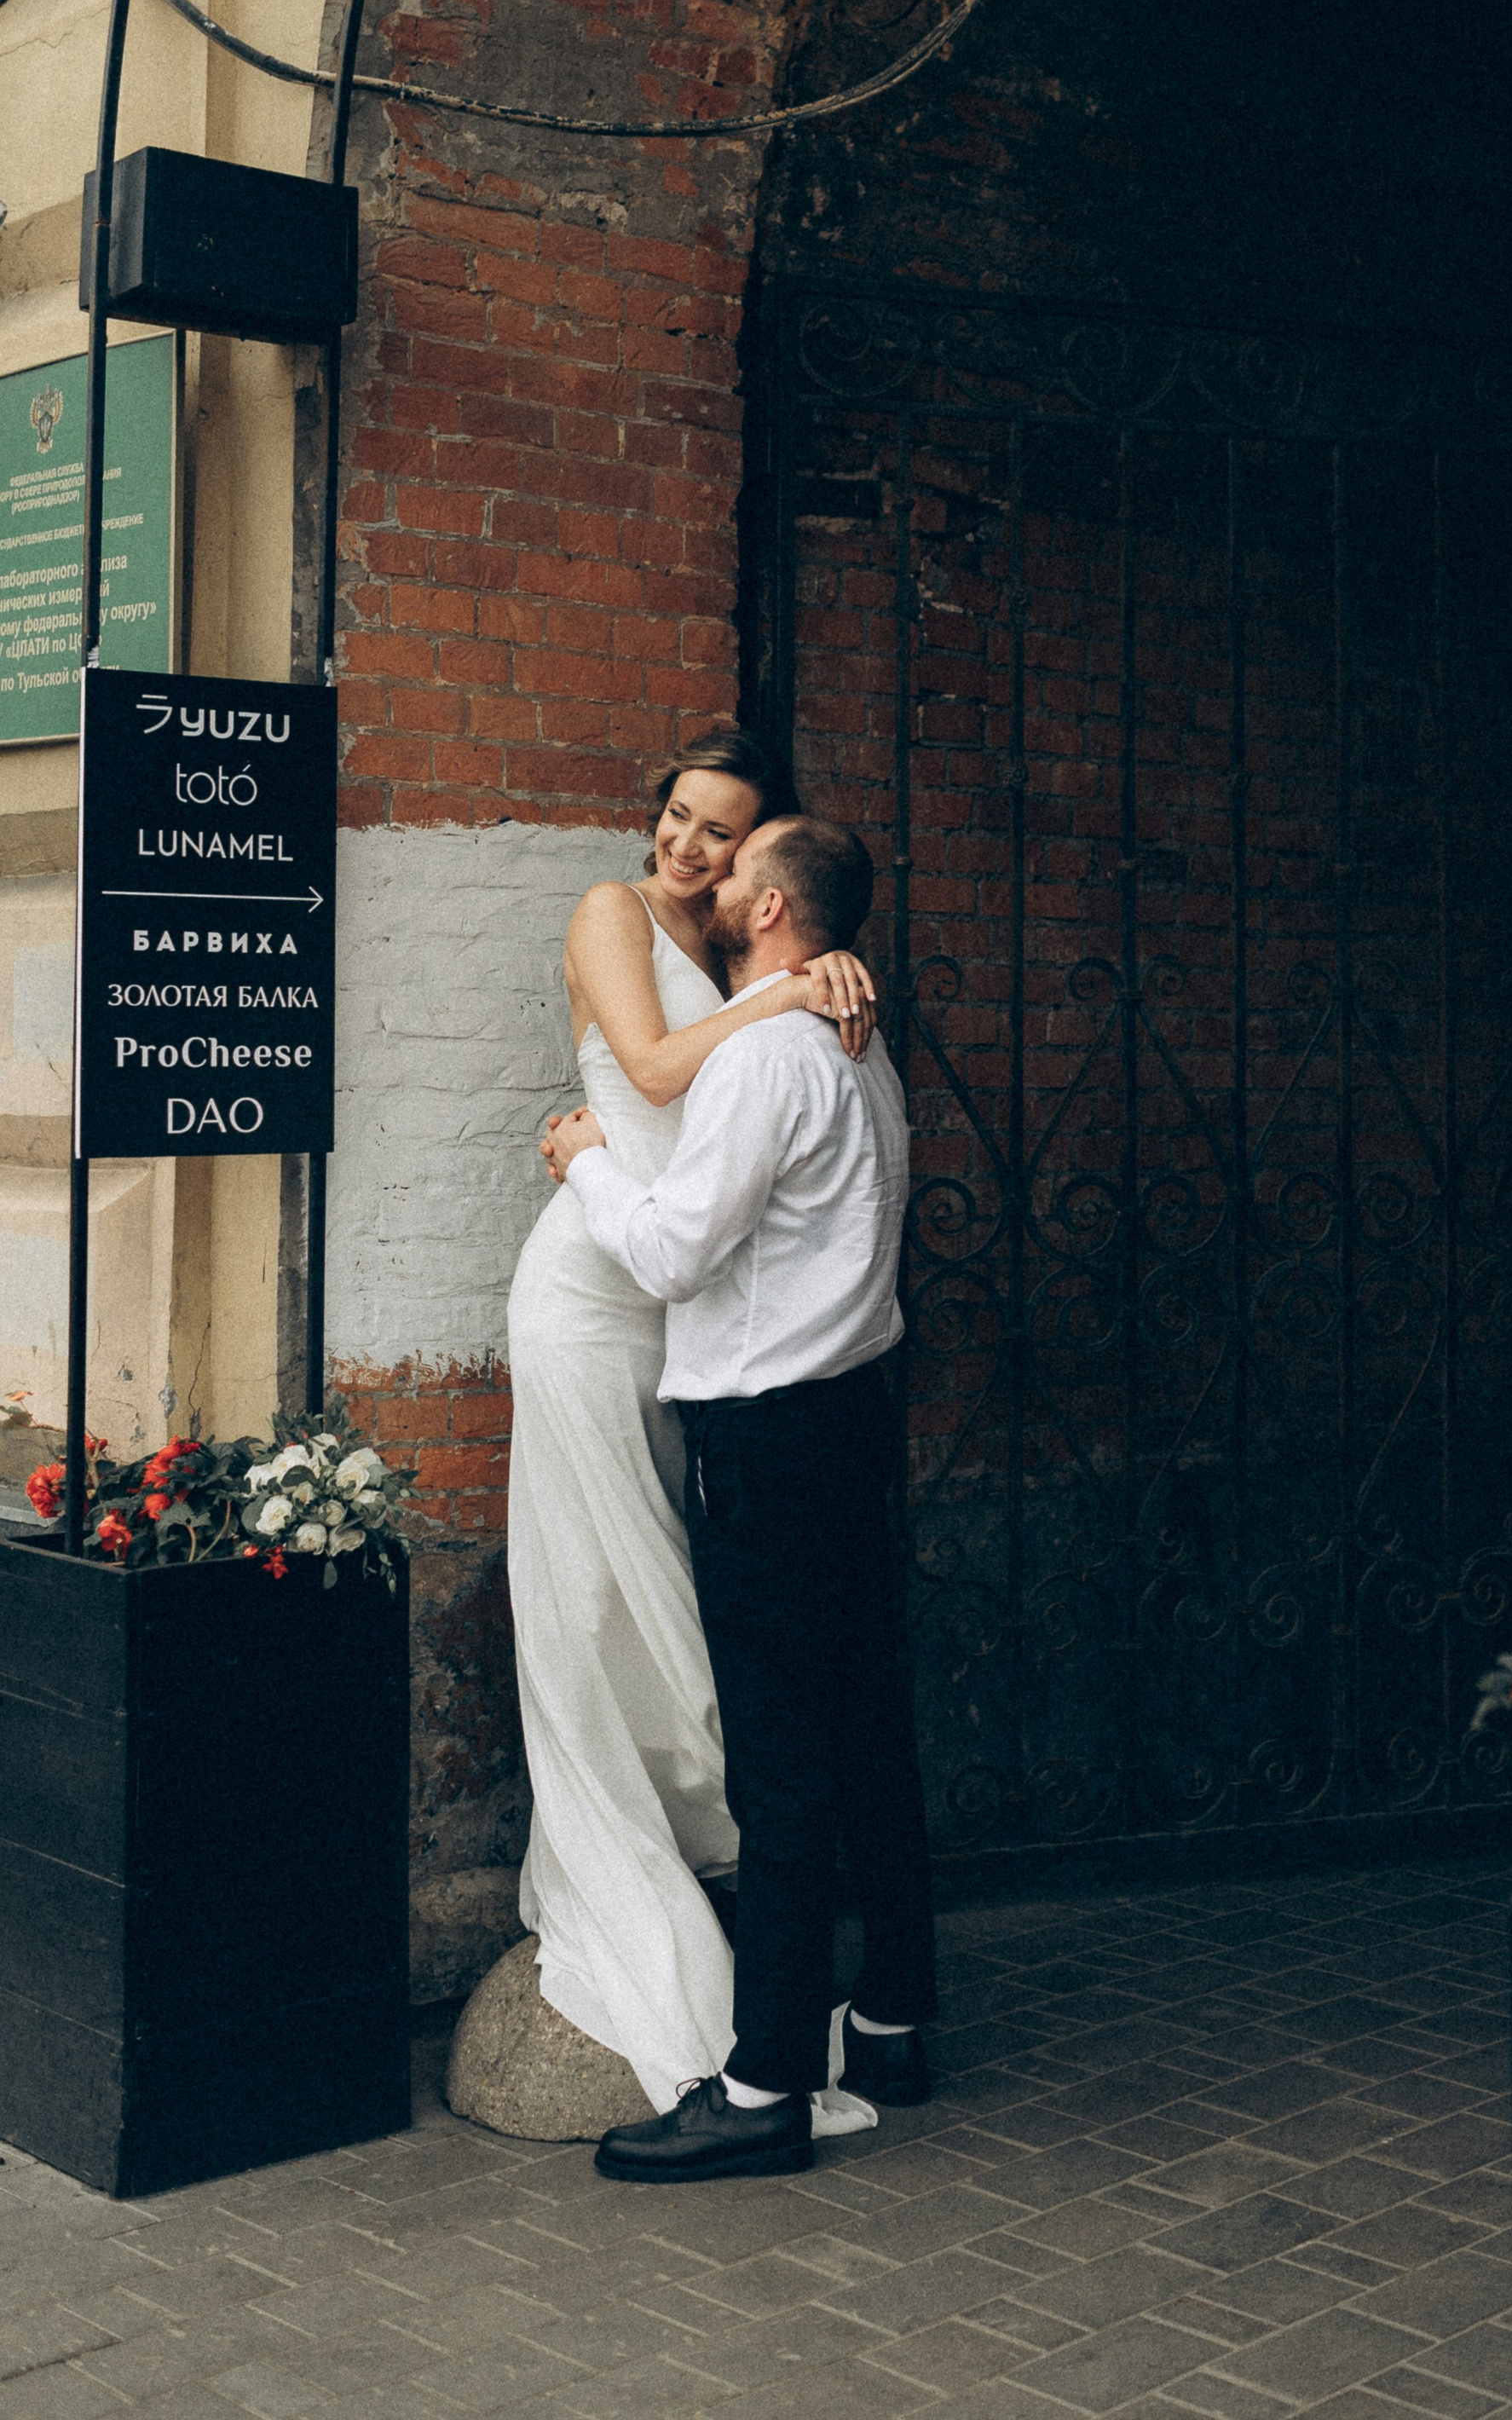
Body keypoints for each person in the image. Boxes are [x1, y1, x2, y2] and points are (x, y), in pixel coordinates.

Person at [541, 810, 938, 2184]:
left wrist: (583, 1152)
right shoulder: (860, 1048)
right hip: (854, 1422)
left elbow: (670, 1253)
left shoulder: (771, 1057)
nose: (713, 879)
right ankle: (891, 2013)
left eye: (738, 862)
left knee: (783, 1763)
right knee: (871, 1724)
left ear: (772, 909)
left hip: (771, 1440)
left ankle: (764, 2081)